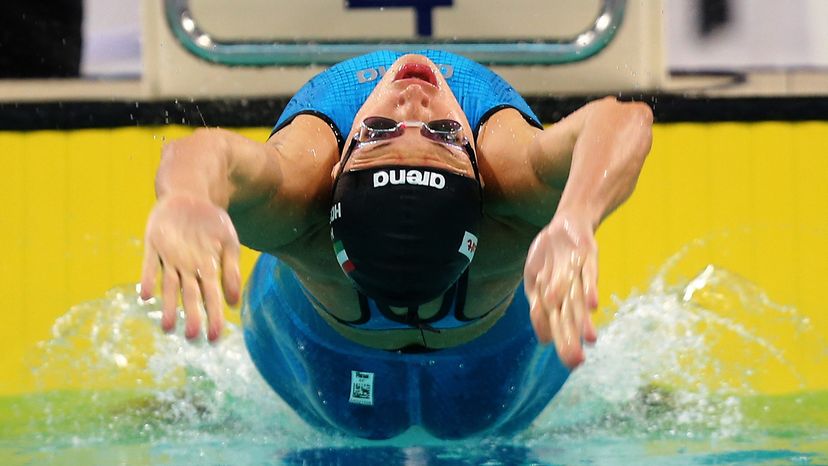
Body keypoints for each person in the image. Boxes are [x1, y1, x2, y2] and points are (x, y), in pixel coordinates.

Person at [140, 50, 653, 439]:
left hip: (313, 339)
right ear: (477, 172)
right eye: (445, 131)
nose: (412, 99)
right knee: (478, 432)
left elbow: (209, 153)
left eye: (381, 131)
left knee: (397, 434)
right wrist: (573, 216)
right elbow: (624, 119)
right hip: (496, 340)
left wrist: (187, 197)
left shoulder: (297, 198)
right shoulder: (512, 184)